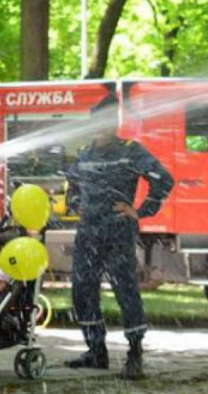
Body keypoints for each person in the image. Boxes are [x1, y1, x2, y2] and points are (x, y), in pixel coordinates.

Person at [63, 103, 174, 380]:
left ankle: (135, 354)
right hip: (88, 234)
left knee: (126, 292)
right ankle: (96, 351)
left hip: (117, 234)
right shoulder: (84, 155)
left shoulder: (130, 151)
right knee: (82, 290)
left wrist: (140, 211)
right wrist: (77, 204)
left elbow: (164, 179)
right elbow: (72, 187)